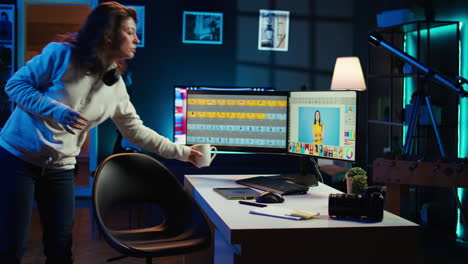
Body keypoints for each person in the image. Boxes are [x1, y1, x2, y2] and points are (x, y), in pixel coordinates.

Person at [0, 2, 203, 264]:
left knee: (60, 247)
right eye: (130, 32)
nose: (136, 39)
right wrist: (55, 110)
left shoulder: (115, 85)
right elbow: (15, 85)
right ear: (108, 33)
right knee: (11, 246)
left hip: (60, 167)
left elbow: (136, 131)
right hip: (17, 158)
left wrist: (184, 152)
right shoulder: (61, 54)